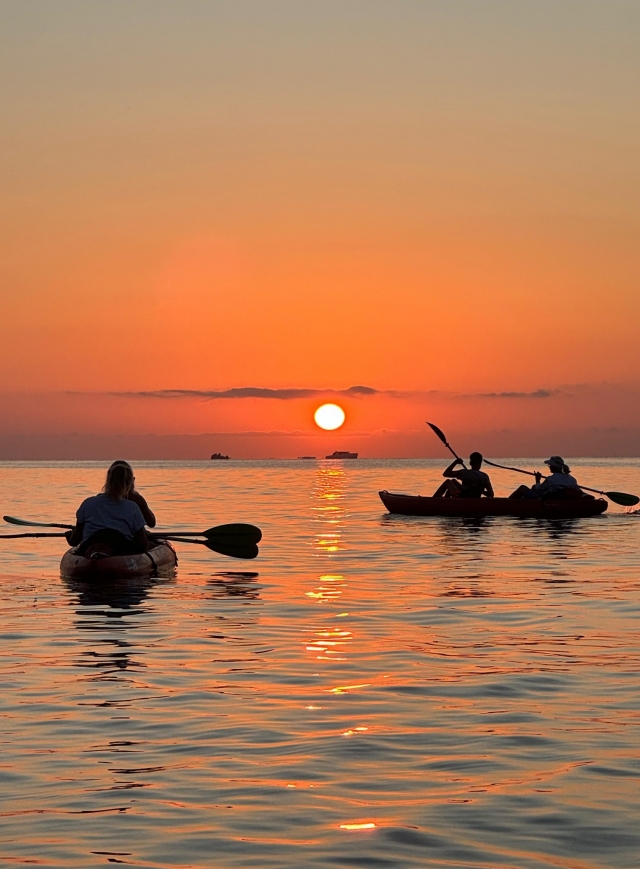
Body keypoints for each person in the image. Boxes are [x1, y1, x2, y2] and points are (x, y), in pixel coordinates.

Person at [67, 461, 155, 556]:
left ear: (108, 480)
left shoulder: (88, 503)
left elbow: (74, 541)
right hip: (119, 550)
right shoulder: (133, 507)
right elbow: (142, 545)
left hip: (90, 546)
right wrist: (152, 544)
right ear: (130, 482)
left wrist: (69, 536)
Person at [509, 456, 583, 499]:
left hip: (543, 500)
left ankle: (508, 503)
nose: (549, 467)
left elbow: (539, 490)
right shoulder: (572, 479)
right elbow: (578, 491)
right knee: (534, 487)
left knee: (522, 488)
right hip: (558, 498)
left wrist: (537, 480)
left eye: (549, 465)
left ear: (553, 466)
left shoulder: (551, 479)